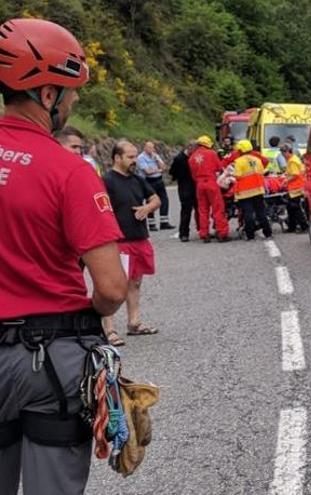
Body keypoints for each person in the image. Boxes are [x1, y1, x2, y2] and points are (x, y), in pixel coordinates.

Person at [0, 18, 128, 495]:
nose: (74, 101)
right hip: (48, 360)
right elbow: (113, 289)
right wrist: (92, 313)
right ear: (48, 94)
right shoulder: (68, 171)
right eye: (71, 91)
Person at [102, 139, 162, 343]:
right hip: (118, 241)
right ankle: (108, 330)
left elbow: (156, 199)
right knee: (113, 285)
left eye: (135, 156)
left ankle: (134, 322)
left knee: (136, 282)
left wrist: (147, 208)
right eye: (130, 157)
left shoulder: (137, 178)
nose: (134, 160)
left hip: (139, 237)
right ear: (117, 158)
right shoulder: (107, 180)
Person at [189, 135, 229, 243]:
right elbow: (219, 168)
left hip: (199, 185)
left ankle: (204, 234)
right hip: (211, 183)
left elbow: (193, 175)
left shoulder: (192, 157)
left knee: (203, 210)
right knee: (218, 208)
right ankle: (222, 233)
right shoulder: (211, 153)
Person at [231, 139, 273, 240]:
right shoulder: (257, 160)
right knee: (261, 212)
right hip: (258, 190)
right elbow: (261, 172)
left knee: (248, 213)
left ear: (240, 150)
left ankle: (250, 235)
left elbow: (237, 176)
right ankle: (267, 232)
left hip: (245, 192)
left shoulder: (239, 162)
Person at [136, 140, 174, 231]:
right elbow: (147, 172)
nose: (151, 149)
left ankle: (164, 222)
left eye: (152, 147)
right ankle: (152, 224)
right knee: (151, 201)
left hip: (158, 180)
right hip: (149, 181)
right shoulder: (141, 158)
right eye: (149, 147)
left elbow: (164, 167)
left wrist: (156, 160)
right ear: (145, 148)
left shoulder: (155, 156)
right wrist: (158, 170)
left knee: (164, 200)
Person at [169, 140, 199, 242]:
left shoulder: (194, 157)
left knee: (199, 209)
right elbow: (172, 171)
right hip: (184, 187)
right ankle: (184, 233)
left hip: (196, 186)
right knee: (186, 211)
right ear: (189, 148)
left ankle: (202, 230)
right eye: (194, 149)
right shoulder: (179, 158)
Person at [282, 144, 308, 233]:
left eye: (283, 153)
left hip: (296, 188)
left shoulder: (292, 161)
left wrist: (286, 181)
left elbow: (295, 174)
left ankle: (303, 226)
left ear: (287, 152)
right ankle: (292, 226)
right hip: (296, 187)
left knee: (295, 208)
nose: (283, 156)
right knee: (290, 207)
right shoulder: (293, 159)